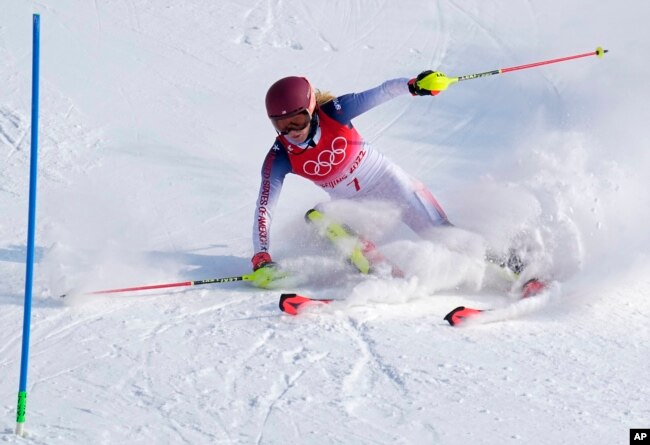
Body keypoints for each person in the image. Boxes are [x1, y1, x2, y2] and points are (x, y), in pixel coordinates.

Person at [250, 71, 456, 285]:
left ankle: (486, 262)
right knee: (320, 217)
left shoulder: (335, 112)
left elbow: (384, 91)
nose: (292, 131)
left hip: (390, 183)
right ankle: (379, 266)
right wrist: (261, 256)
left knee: (444, 235)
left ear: (311, 110)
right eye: (282, 125)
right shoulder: (279, 157)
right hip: (354, 206)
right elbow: (264, 208)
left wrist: (413, 86)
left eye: (298, 120)